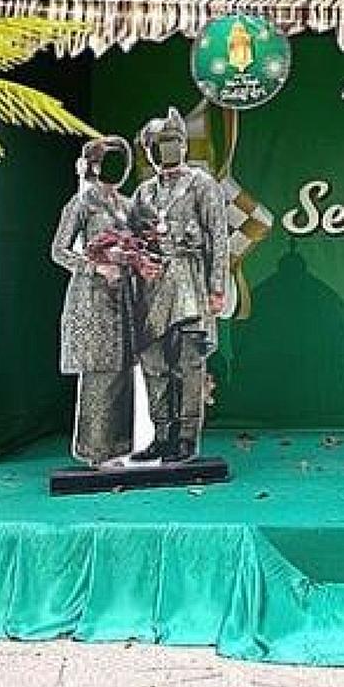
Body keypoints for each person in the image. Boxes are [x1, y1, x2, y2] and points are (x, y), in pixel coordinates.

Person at [128, 107, 230, 464]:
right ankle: (161, 434)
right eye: (157, 144)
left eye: (170, 142)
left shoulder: (203, 184)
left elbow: (219, 235)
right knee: (154, 360)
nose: (164, 151)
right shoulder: (142, 193)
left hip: (189, 277)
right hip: (152, 284)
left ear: (183, 145)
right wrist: (140, 259)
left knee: (189, 359)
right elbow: (132, 240)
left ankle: (187, 436)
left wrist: (217, 287)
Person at [50, 136, 136, 468]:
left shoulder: (128, 206)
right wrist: (96, 266)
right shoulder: (81, 204)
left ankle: (120, 445)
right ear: (95, 165)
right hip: (92, 296)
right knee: (99, 372)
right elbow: (59, 250)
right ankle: (95, 451)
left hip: (124, 296)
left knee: (121, 371)